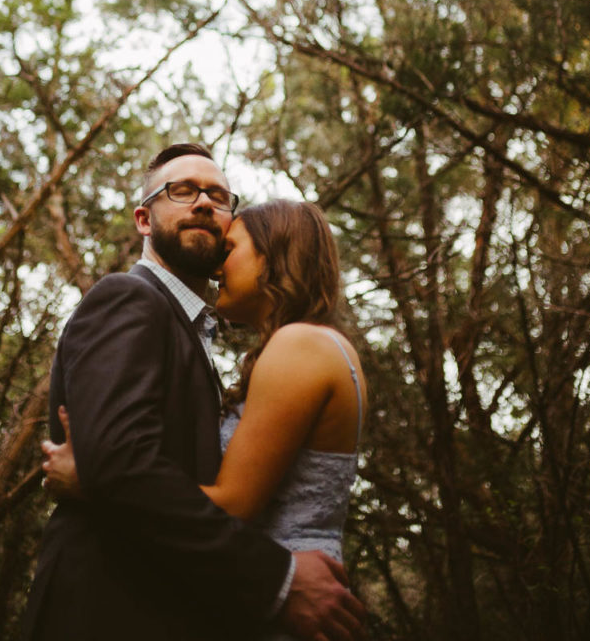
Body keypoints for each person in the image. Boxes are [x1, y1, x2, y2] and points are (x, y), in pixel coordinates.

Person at [22, 142, 366, 641]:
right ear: (144, 220)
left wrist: (93, 480)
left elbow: (133, 473)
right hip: (103, 612)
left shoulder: (220, 339)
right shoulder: (128, 299)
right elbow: (122, 462)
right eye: (181, 191)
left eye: (219, 196)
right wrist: (278, 578)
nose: (204, 202)